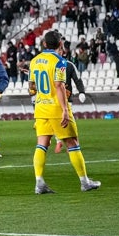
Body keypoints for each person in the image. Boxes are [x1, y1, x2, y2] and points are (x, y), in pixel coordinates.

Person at [30, 31, 100, 193]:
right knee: (73, 143)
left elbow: (32, 87)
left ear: (44, 44)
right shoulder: (60, 62)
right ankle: (84, 182)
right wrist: (64, 110)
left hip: (41, 107)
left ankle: (39, 182)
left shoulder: (34, 62)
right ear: (60, 44)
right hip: (56, 108)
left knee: (42, 144)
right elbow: (59, 85)